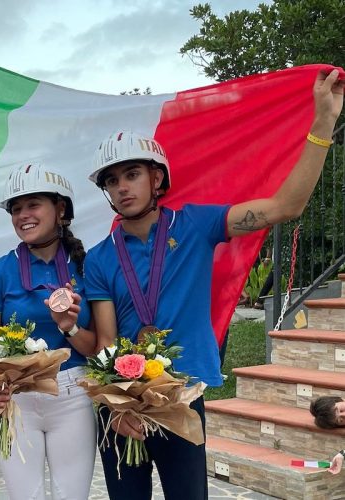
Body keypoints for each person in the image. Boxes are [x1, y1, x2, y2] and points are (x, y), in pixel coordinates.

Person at [83, 69, 344, 500]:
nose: (121, 187)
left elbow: (287, 205)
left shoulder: (197, 224)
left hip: (182, 396)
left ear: (157, 179)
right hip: (123, 405)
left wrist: (322, 123)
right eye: (111, 180)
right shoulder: (100, 257)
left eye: (131, 174)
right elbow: (107, 343)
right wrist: (115, 406)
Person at [0, 163, 98, 500]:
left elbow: (95, 348)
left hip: (72, 394)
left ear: (60, 209)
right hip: (17, 397)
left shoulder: (88, 266)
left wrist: (69, 326)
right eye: (16, 208)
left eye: (33, 205)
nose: (23, 215)